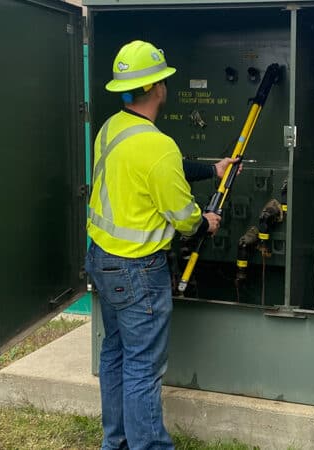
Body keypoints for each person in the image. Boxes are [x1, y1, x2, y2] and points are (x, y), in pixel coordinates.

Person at [85, 40, 233, 450]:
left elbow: (158, 170)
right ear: (158, 88)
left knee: (115, 354)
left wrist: (212, 168)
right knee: (142, 368)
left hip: (102, 259)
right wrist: (206, 221)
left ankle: (114, 442)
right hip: (137, 271)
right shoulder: (158, 144)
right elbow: (184, 219)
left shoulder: (112, 129)